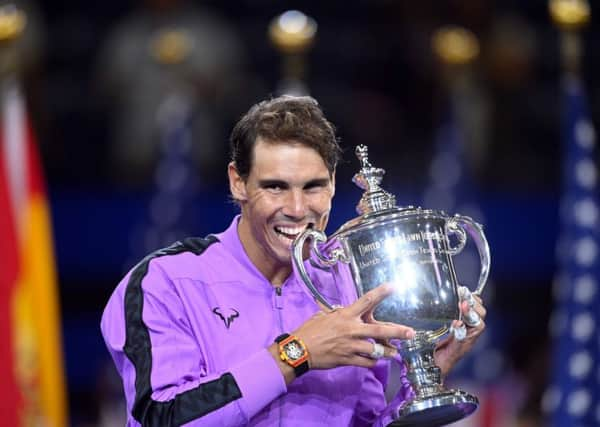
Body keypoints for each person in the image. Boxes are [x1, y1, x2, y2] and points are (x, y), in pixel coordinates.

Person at [101, 95, 486, 426]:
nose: (297, 209)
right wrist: (295, 354)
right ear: (238, 182)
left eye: (313, 186)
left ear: (333, 182)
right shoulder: (164, 282)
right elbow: (160, 416)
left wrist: (425, 379)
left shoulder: (354, 287)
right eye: (275, 187)